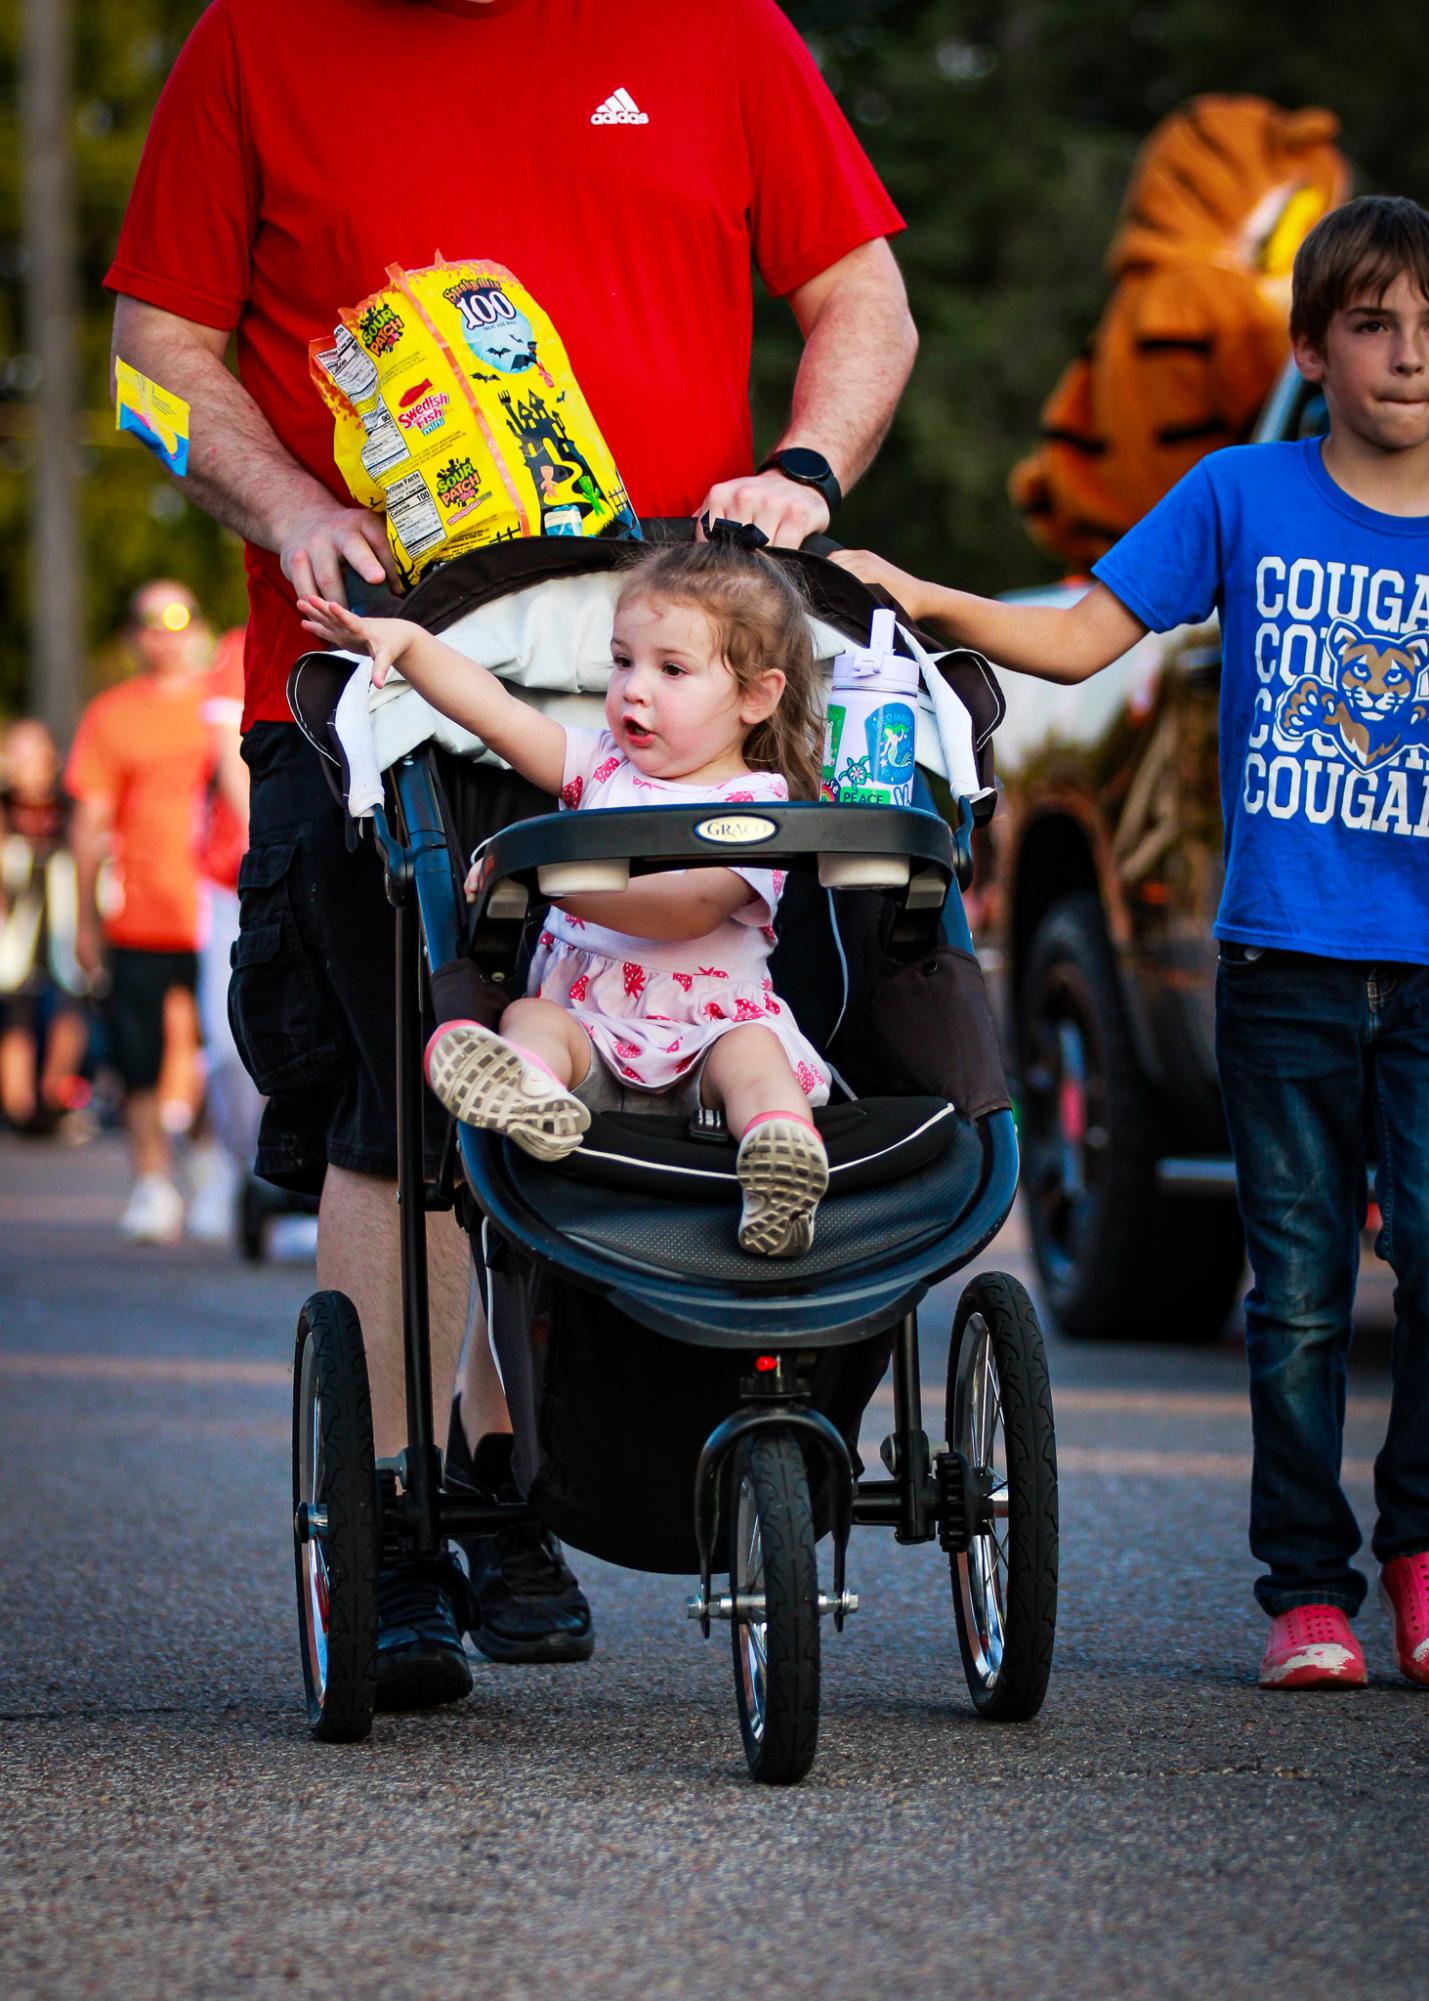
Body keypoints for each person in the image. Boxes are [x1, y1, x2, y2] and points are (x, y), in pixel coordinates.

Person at [105, 0, 917, 1700]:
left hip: (665, 690)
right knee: (402, 1105)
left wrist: (801, 470)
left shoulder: (721, 32)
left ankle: (514, 1472)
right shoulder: (256, 40)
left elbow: (859, 297)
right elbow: (149, 357)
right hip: (373, 675)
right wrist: (288, 503)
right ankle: (409, 1513)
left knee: (646, 1064)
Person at [835, 193, 1429, 1693]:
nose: (1409, 357)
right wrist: (927, 599)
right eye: (1373, 326)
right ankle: (1307, 1589)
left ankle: (1420, 1552)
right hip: (1281, 962)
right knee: (1295, 1290)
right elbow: (1087, 634)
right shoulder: (1242, 494)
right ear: (1311, 347)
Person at [301, 538, 833, 1253]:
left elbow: (690, 905)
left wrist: (550, 880)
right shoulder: (595, 768)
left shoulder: (758, 802)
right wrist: (413, 646)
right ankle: (529, 1092)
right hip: (592, 1031)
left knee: (755, 1056)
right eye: (622, 662)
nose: (633, 689)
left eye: (671, 669)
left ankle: (779, 1157)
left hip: (709, 1037)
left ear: (756, 695)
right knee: (530, 1016)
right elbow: (495, 712)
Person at [66, 581, 213, 1243]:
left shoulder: (225, 700)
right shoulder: (112, 714)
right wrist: (84, 918)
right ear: (134, 634)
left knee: (225, 1048)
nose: (166, 631)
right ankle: (153, 1180)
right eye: (151, 620)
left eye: (178, 617)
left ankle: (215, 1170)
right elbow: (89, 821)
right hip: (141, 913)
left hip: (221, 907)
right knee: (139, 1056)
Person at [0, 719, 90, 1136]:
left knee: (70, 1008)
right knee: (15, 1016)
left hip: (62, 921)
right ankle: (19, 1111)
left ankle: (54, 1099)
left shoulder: (68, 804)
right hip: (16, 928)